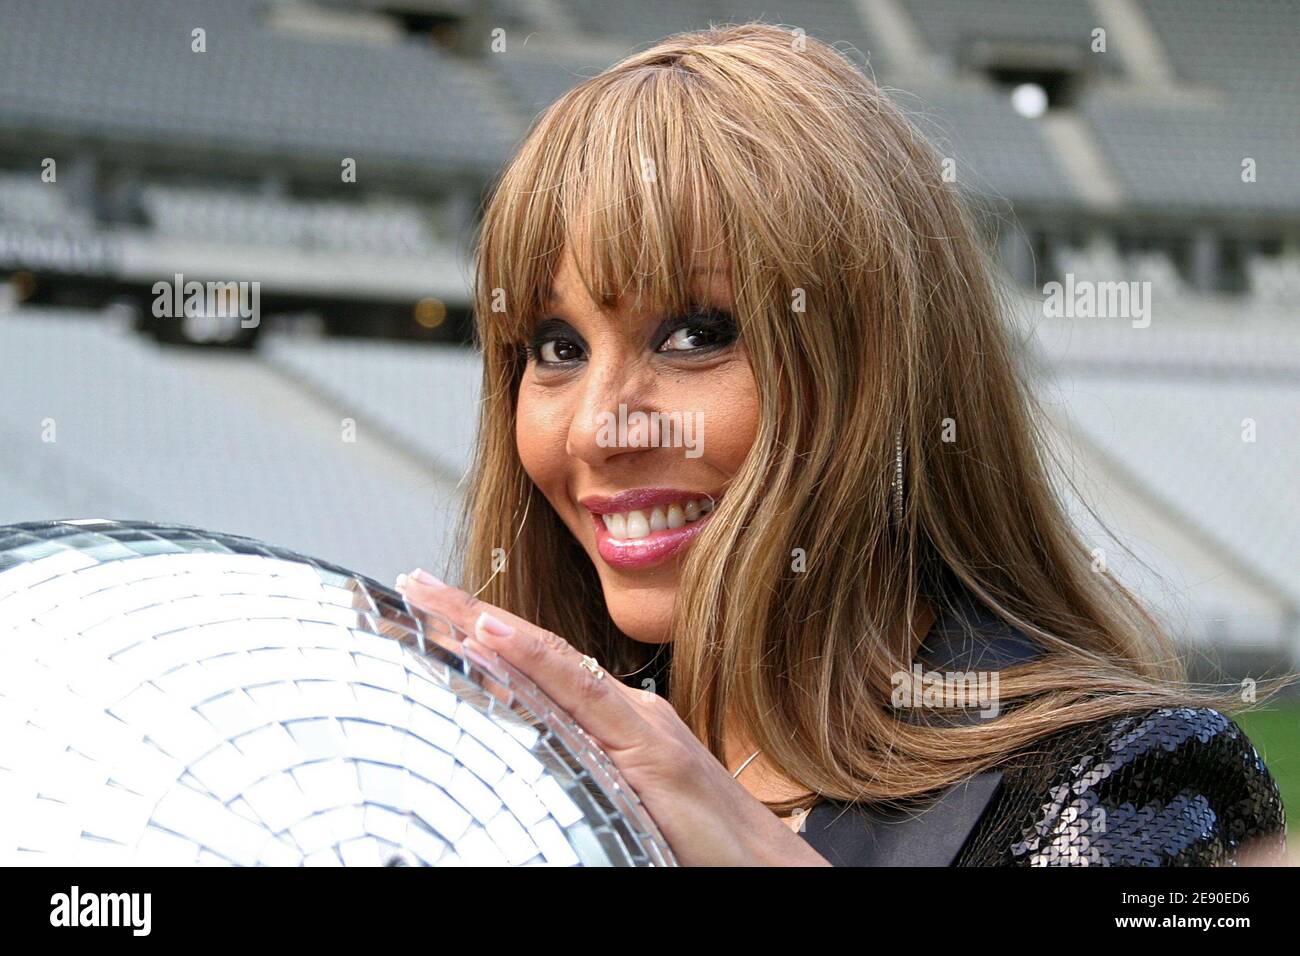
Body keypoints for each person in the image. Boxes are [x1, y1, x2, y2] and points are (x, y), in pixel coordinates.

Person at [395, 23, 1287, 866]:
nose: (598, 426)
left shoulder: (1133, 787)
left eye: (698, 333)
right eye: (558, 349)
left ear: (885, 366)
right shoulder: (507, 784)